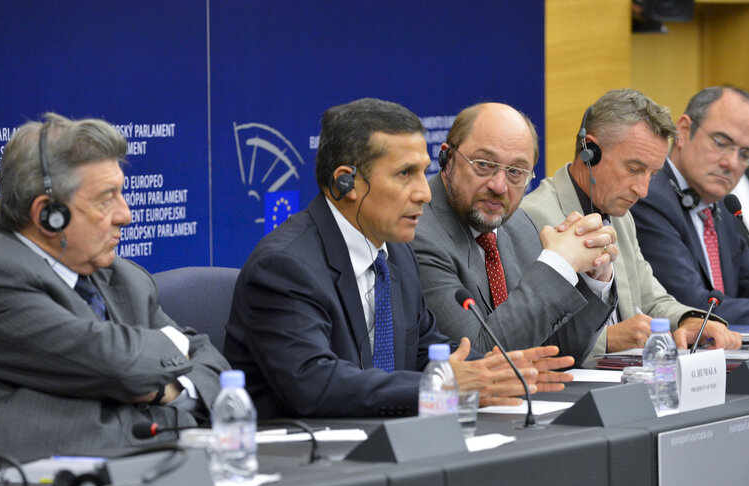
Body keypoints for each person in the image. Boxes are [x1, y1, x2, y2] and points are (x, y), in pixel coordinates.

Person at [224, 98, 574, 420]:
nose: (424, 193)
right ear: (347, 183)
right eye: (405, 174)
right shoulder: (285, 267)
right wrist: (444, 386)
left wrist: (497, 371)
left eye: (423, 171)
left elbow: (427, 352)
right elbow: (315, 383)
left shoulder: (395, 255)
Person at [0, 113, 229, 462]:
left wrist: (162, 390)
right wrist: (172, 373)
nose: (125, 214)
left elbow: (215, 366)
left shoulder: (125, 277)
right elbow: (116, 364)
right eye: (106, 198)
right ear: (48, 214)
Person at [521, 89, 741, 362]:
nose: (643, 190)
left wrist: (689, 320)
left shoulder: (621, 216)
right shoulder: (531, 218)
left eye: (653, 174)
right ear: (590, 151)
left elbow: (651, 300)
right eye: (634, 169)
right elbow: (523, 336)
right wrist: (607, 340)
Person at [412, 102, 618, 367]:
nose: (499, 186)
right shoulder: (420, 234)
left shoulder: (519, 224)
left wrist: (593, 280)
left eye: (516, 172)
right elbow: (480, 357)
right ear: (447, 159)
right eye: (484, 165)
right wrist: (557, 265)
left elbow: (557, 353)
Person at [631, 86, 749, 325]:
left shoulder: (724, 208)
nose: (731, 163)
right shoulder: (649, 198)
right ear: (684, 131)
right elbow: (693, 306)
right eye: (721, 143)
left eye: (745, 154)